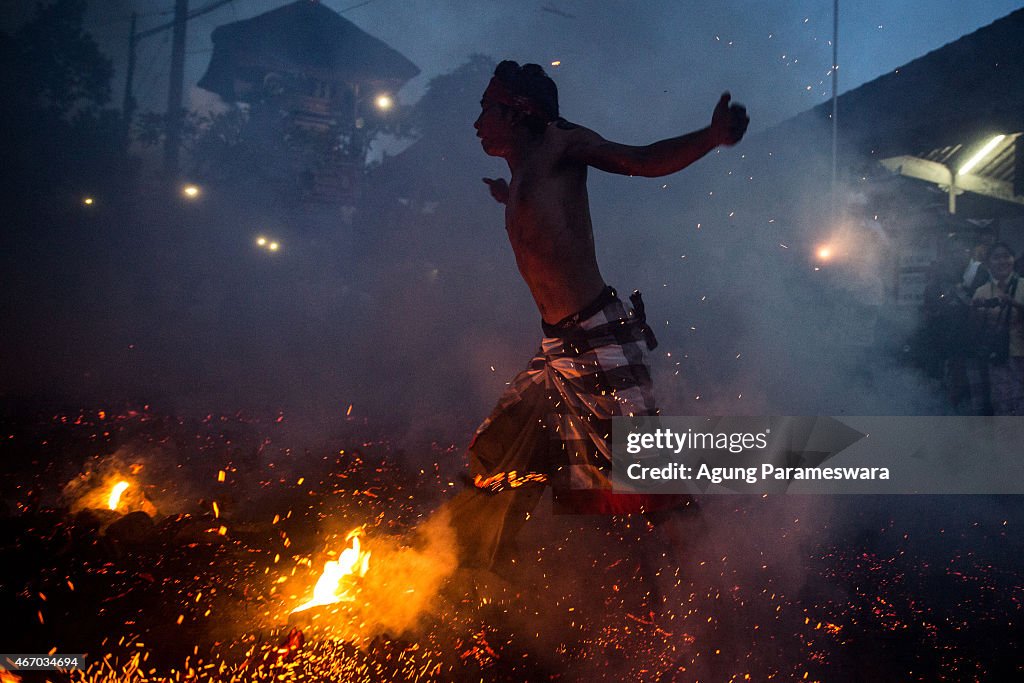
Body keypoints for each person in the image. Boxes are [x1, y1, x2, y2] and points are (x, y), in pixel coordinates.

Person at [448, 60, 748, 570]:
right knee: (501, 449)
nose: (477, 123)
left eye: (485, 110)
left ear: (518, 113)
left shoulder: (561, 143)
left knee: (648, 469)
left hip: (597, 336)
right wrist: (508, 197)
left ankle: (712, 587)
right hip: (557, 350)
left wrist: (711, 136)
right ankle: (490, 572)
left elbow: (641, 160)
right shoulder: (521, 174)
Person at [971, 242, 1024, 416]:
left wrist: (1014, 304)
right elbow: (977, 330)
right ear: (988, 264)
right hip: (997, 357)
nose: (1002, 261)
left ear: (1013, 260)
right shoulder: (981, 292)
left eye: (1006, 256)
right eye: (996, 257)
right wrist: (978, 311)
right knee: (1002, 404)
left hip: (1021, 354)